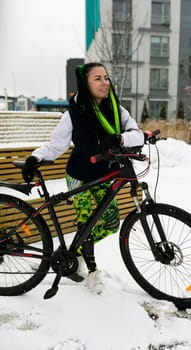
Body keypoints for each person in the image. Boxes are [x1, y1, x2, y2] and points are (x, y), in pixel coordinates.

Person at [22, 62, 144, 294]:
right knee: (87, 225)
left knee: (110, 224)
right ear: (85, 84)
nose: (104, 82)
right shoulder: (74, 114)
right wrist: (34, 158)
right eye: (97, 78)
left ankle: (74, 251)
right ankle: (91, 271)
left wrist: (119, 139)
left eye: (106, 77)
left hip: (104, 174)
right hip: (79, 175)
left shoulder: (117, 110)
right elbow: (56, 145)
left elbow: (136, 135)